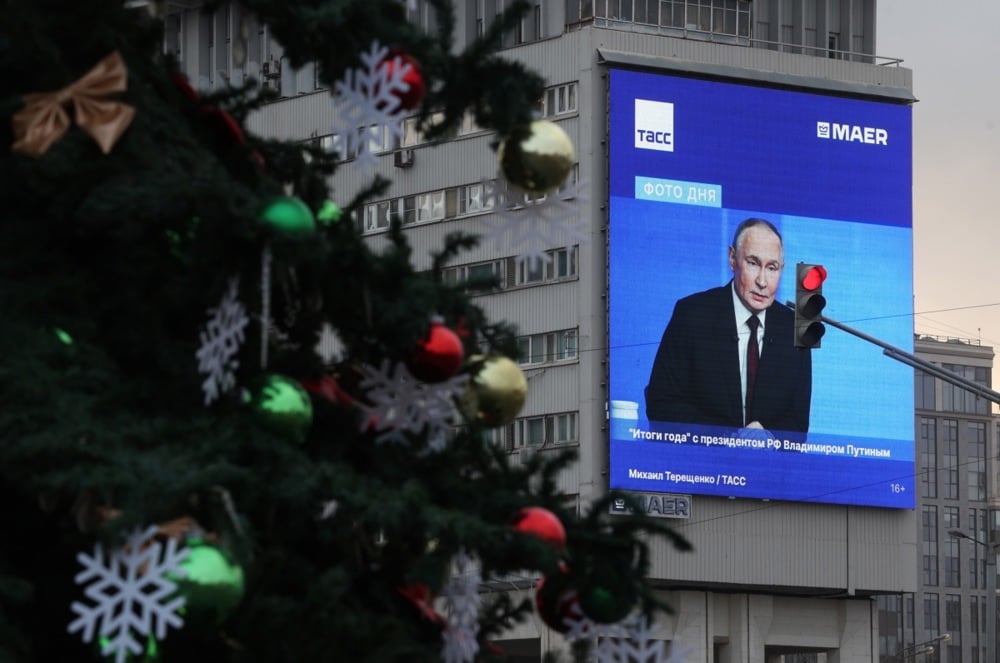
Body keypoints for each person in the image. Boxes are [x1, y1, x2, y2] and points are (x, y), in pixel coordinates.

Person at [644, 218, 812, 433]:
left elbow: (799, 425)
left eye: (772, 268)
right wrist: (729, 439)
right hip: (700, 461)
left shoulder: (796, 326)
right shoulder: (691, 314)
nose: (762, 281)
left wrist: (770, 437)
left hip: (767, 463)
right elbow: (662, 405)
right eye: (753, 263)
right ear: (732, 259)